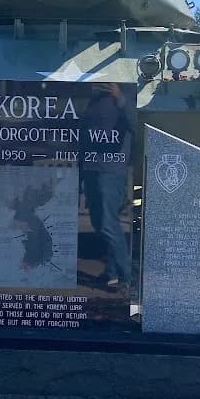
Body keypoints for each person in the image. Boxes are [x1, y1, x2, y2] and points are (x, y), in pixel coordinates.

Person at [80, 83, 135, 289]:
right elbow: (85, 136)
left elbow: (136, 124)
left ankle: (127, 277)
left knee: (107, 224)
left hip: (111, 170)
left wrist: (120, 97)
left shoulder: (128, 94)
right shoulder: (94, 100)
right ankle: (111, 272)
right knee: (100, 223)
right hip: (91, 168)